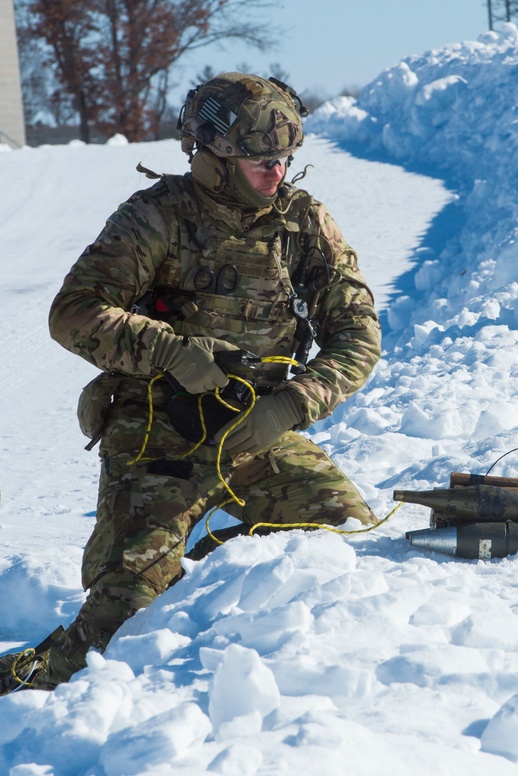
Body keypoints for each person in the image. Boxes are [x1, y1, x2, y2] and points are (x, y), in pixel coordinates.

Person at [0, 73, 382, 695]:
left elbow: (358, 334)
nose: (276, 174)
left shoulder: (302, 222)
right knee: (119, 622)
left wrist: (291, 405)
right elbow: (72, 313)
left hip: (254, 429)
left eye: (284, 160)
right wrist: (172, 352)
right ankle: (24, 681)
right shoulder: (156, 216)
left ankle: (218, 596)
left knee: (341, 548)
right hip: (158, 430)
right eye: (261, 161)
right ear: (213, 156)